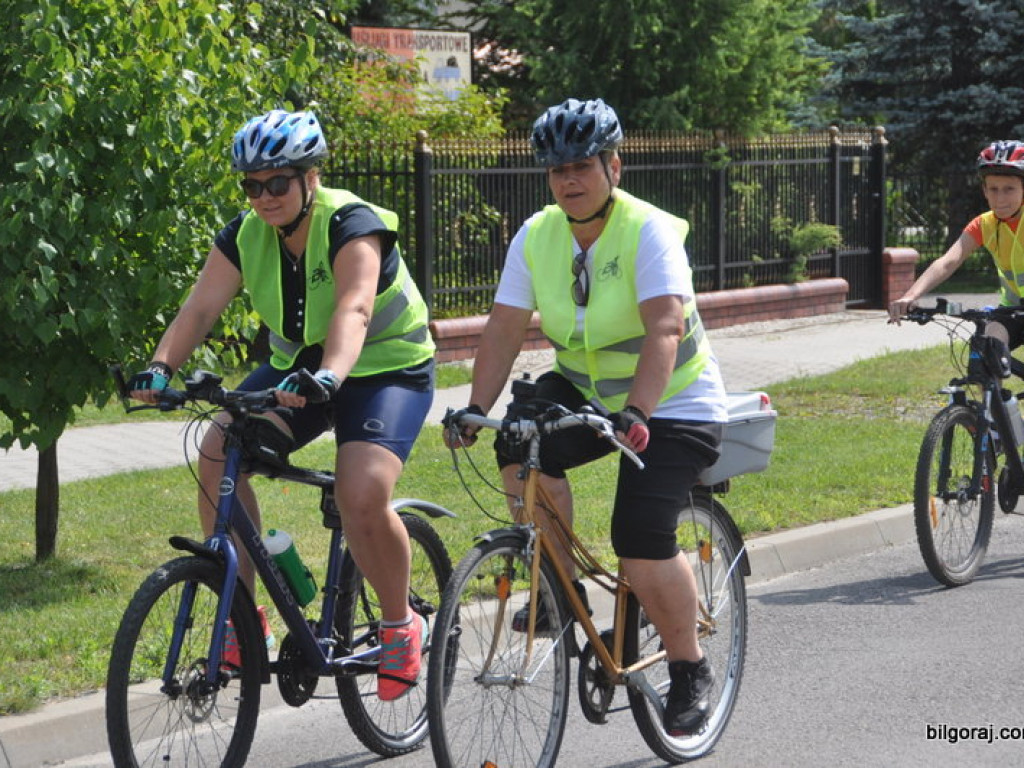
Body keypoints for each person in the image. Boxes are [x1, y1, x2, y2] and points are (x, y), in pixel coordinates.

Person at [127, 109, 436, 701]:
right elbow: (199, 309)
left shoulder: (352, 223)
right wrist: (161, 367)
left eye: (277, 182)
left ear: (309, 177)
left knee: (361, 491)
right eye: (252, 185)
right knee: (218, 450)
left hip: (386, 364)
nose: (263, 196)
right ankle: (244, 621)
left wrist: (328, 376)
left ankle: (400, 627)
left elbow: (355, 309)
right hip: (302, 367)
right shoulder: (245, 234)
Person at [443, 97, 729, 736]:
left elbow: (663, 328)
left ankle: (689, 667)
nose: (568, 180)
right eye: (556, 170)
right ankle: (556, 590)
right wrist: (475, 409)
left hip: (675, 398)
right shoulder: (537, 235)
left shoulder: (647, 230)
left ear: (613, 168)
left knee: (639, 530)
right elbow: (504, 328)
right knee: (516, 442)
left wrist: (638, 411)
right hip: (586, 388)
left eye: (581, 166)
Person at [888, 140, 1024, 370]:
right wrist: (910, 296)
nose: (1000, 198)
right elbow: (948, 261)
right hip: (1012, 310)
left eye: (1009, 189)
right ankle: (990, 406)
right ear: (984, 191)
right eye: (993, 189)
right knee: (984, 351)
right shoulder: (984, 225)